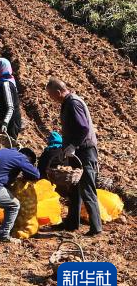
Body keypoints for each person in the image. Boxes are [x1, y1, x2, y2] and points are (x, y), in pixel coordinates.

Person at [46, 77, 102, 236]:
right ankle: (71, 223)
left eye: (51, 95)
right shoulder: (68, 102)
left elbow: (83, 128)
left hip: (84, 151)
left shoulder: (73, 103)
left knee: (87, 188)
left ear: (58, 92)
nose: (51, 99)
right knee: (75, 188)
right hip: (78, 150)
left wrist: (74, 145)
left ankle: (96, 227)